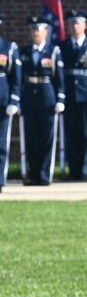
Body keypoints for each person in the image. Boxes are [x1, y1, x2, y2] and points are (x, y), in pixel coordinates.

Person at [16, 17, 63, 186]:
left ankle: (44, 174)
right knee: (32, 138)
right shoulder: (24, 52)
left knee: (47, 137)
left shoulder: (53, 51)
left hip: (47, 96)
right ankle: (33, 174)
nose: (36, 32)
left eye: (39, 29)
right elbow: (20, 77)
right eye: (33, 29)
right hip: (30, 96)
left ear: (46, 32)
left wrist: (60, 98)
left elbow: (59, 77)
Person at [59, 13, 87, 182]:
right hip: (69, 95)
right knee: (71, 134)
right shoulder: (62, 46)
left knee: (84, 134)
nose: (74, 26)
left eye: (78, 23)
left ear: (85, 25)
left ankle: (83, 170)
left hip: (86, 94)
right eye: (71, 23)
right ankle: (72, 170)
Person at [0, 20, 17, 190]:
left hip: (2, 100)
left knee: (1, 143)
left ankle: (0, 179)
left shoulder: (8, 47)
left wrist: (14, 100)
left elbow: (15, 77)